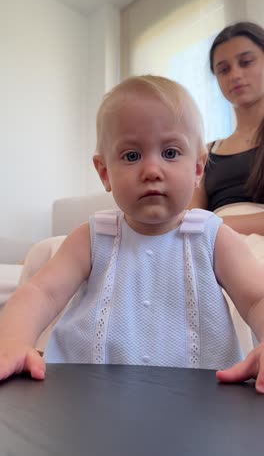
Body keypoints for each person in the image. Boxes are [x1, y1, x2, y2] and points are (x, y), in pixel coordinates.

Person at [0, 75, 264, 393]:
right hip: (89, 396)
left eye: (170, 153)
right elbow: (40, 294)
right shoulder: (91, 237)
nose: (152, 170)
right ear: (104, 172)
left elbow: (256, 299)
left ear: (197, 169)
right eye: (131, 156)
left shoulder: (213, 237)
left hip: (203, 400)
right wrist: (12, 342)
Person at [190, 21, 264, 354]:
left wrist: (220, 227)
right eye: (223, 69)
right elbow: (189, 216)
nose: (235, 75)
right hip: (211, 239)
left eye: (246, 62)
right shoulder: (208, 150)